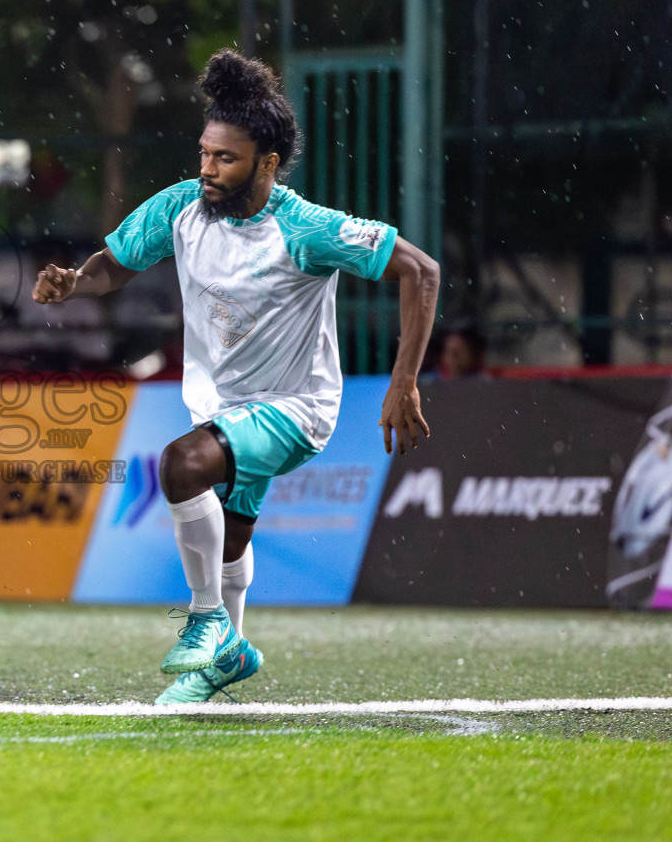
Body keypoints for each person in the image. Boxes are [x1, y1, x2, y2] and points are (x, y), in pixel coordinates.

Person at [32, 48, 439, 705]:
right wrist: (76, 282)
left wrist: (403, 380)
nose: (208, 171)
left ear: (268, 164)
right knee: (230, 533)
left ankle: (207, 622)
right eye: (204, 154)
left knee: (182, 465)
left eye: (225, 159)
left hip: (296, 408)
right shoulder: (181, 209)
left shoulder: (306, 228)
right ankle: (227, 660)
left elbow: (420, 272)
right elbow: (116, 262)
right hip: (225, 408)